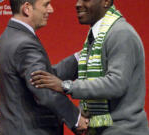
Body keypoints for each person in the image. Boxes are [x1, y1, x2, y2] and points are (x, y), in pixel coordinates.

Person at [30, 0, 149, 135]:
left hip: (123, 130)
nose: (78, 4)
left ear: (106, 2)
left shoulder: (121, 34)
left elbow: (116, 83)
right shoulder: (97, 35)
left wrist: (66, 86)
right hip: (102, 129)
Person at [0, 0, 89, 135]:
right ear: (27, 8)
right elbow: (43, 88)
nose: (50, 10)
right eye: (46, 4)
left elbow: (45, 76)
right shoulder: (24, 43)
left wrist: (80, 58)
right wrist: (76, 118)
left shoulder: (9, 36)